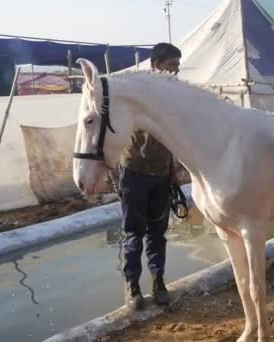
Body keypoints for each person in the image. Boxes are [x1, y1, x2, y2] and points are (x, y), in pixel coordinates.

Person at [119, 42, 181, 311]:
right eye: (171, 66)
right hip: (134, 172)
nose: (175, 72)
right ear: (156, 65)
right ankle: (132, 285)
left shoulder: (175, 95)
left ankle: (158, 282)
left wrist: (174, 169)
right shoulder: (137, 94)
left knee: (158, 232)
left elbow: (175, 135)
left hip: (162, 174)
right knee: (134, 232)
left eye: (177, 67)